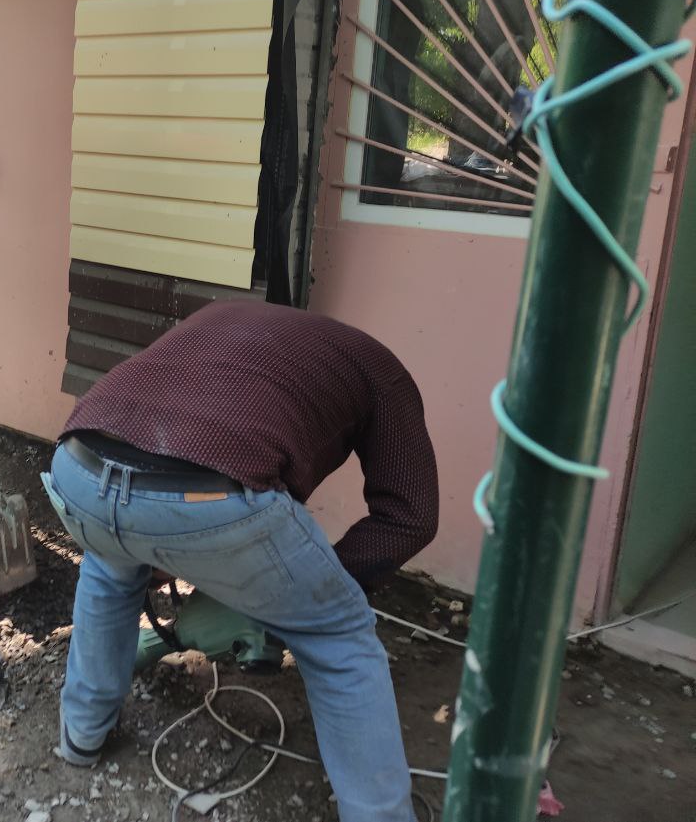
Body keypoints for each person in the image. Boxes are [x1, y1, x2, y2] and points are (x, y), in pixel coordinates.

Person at [45, 300, 438, 822]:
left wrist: (162, 547)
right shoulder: (379, 369)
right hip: (209, 499)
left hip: (77, 471)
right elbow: (411, 517)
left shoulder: (224, 317)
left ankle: (81, 736)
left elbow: (154, 453)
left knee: (107, 567)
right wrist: (312, 598)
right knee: (337, 634)